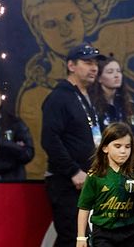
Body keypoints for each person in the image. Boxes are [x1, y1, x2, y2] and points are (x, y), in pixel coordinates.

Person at [42, 42, 105, 241]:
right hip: (68, 182)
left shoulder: (86, 96)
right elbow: (49, 139)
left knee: (87, 237)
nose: (94, 67)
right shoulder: (59, 97)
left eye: (95, 63)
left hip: (89, 180)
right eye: (87, 62)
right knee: (72, 237)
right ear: (71, 65)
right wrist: (73, 171)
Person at [78, 121, 134, 246]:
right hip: (103, 233)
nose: (123, 151)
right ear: (105, 148)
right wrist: (81, 237)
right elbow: (84, 207)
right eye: (117, 146)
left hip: (130, 233)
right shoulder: (95, 175)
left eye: (127, 147)